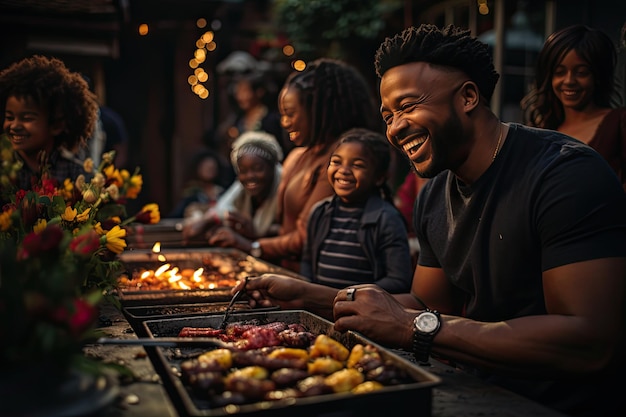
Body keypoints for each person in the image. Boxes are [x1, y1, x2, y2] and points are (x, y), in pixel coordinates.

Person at [233, 24, 626, 417]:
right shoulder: (435, 192)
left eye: (407, 106)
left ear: (468, 96)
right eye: (387, 115)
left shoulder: (565, 174)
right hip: (472, 390)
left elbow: (588, 340)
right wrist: (309, 297)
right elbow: (426, 302)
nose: (395, 128)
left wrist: (413, 328)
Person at [208, 58, 382, 273]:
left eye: (290, 113)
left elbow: (306, 236)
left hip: (317, 280)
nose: (284, 122)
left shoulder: (339, 161)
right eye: (282, 115)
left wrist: (252, 245)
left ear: (317, 109)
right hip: (286, 273)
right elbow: (285, 226)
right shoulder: (299, 156)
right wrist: (255, 232)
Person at [301, 127, 412, 293]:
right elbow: (307, 262)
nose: (344, 171)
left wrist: (349, 296)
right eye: (336, 162)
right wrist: (309, 292)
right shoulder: (320, 212)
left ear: (379, 177)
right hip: (319, 311)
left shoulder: (387, 219)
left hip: (361, 314)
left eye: (357, 165)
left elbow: (398, 280)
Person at [521, 24, 626, 189]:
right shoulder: (541, 129)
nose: (569, 81)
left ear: (598, 76)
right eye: (559, 72)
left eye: (581, 72)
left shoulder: (618, 123)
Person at [0, 55, 98, 199]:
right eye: (9, 117)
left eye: (27, 118)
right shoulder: (4, 170)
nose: (14, 125)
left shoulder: (79, 175)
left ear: (57, 125)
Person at [181, 130, 283, 241]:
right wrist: (204, 221)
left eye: (258, 169)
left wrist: (254, 232)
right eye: (243, 171)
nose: (249, 176)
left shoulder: (285, 186)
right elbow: (223, 207)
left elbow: (292, 233)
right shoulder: (242, 185)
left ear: (272, 167)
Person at [167, 149, 225, 218]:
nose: (209, 171)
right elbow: (176, 215)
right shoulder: (192, 193)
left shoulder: (222, 191)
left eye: (212, 168)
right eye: (206, 168)